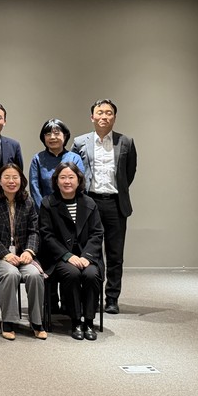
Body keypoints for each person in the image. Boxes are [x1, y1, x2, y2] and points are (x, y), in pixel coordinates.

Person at [71, 99, 137, 315]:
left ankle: (112, 299)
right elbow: (73, 170)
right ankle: (93, 297)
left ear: (114, 117)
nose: (104, 116)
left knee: (115, 254)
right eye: (100, 112)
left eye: (109, 113)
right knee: (91, 252)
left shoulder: (126, 142)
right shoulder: (80, 142)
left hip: (116, 204)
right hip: (89, 203)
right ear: (92, 117)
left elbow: (129, 172)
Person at [38, 162, 104, 340]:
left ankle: (88, 321)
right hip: (59, 257)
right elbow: (46, 235)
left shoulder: (89, 203)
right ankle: (75, 321)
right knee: (72, 273)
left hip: (87, 255)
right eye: (63, 177)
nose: (67, 181)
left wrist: (87, 256)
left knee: (91, 274)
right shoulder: (48, 203)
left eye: (71, 177)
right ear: (56, 181)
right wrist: (67, 256)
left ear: (78, 180)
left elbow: (97, 233)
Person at [0, 163, 46, 340]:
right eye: (7, 177)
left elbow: (34, 231)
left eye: (15, 177)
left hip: (23, 255)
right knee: (11, 274)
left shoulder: (28, 202)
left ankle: (36, 321)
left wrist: (29, 251)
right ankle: (8, 321)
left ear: (21, 180)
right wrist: (6, 254)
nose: (11, 181)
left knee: (35, 275)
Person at [29, 119, 84, 210]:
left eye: (56, 133)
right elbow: (34, 188)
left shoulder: (75, 158)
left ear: (65, 136)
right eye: (48, 134)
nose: (52, 137)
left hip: (71, 208)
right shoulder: (37, 159)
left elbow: (80, 185)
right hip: (46, 209)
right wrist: (43, 209)